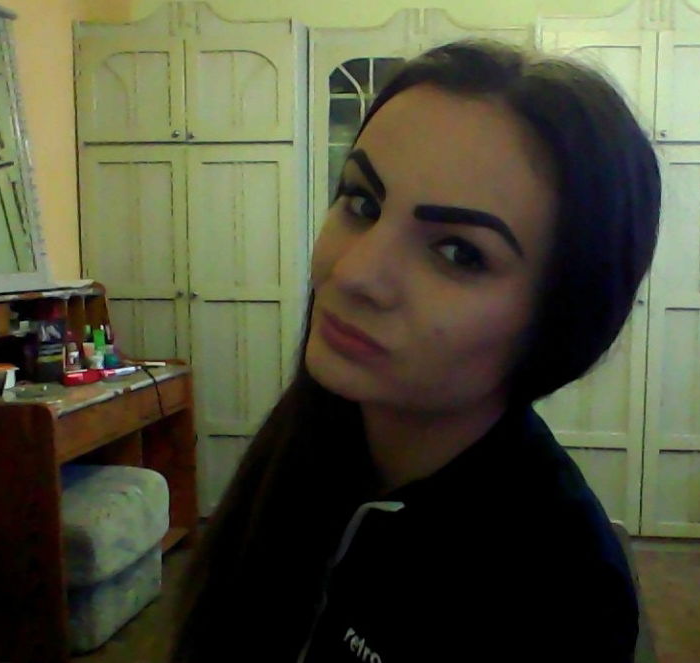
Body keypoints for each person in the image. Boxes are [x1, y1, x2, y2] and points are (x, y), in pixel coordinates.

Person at [170, 39, 661, 662]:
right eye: (363, 203)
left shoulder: (561, 590)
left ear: (562, 318)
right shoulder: (310, 444)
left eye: (458, 252)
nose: (354, 274)